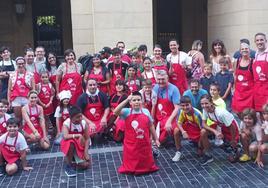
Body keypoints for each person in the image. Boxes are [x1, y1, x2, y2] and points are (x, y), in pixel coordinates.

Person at [113, 91, 160, 175]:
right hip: (131, 144)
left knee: (145, 160)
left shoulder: (146, 112)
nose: (136, 102)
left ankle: (145, 168)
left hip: (144, 143)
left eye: (138, 100)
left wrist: (156, 139)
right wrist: (127, 99)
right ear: (130, 102)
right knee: (131, 162)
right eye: (134, 100)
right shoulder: (126, 112)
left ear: (141, 101)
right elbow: (115, 112)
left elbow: (151, 126)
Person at [200, 95, 240, 164]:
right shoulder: (205, 110)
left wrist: (233, 140)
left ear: (211, 103)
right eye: (202, 104)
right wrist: (215, 131)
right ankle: (208, 155)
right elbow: (203, 124)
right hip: (220, 125)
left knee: (232, 159)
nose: (204, 106)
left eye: (206, 103)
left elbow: (232, 126)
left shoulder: (220, 113)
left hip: (231, 127)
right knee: (203, 131)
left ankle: (236, 147)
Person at [172, 96, 207, 162]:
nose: (185, 107)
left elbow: (203, 130)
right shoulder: (181, 111)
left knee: (200, 153)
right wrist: (183, 132)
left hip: (198, 131)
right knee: (176, 130)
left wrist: (199, 145)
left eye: (187, 105)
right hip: (189, 127)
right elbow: (178, 123)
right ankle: (178, 152)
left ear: (191, 104)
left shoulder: (198, 114)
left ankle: (200, 147)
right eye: (183, 106)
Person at [60, 106, 91, 177]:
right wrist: (77, 135)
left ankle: (74, 159)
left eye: (80, 116)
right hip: (68, 143)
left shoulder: (83, 123)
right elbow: (65, 136)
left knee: (85, 165)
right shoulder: (66, 123)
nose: (80, 119)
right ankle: (68, 166)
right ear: (71, 118)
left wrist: (86, 152)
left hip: (79, 145)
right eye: (77, 117)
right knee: (71, 143)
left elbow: (87, 139)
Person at [152, 70, 180, 143]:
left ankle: (172, 136)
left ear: (167, 78)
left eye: (163, 79)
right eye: (158, 79)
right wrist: (152, 120)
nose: (160, 81)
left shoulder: (174, 89)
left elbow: (177, 108)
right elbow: (154, 106)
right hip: (159, 118)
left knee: (161, 139)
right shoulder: (155, 88)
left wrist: (169, 121)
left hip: (171, 117)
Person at [7, 57, 35, 122]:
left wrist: (33, 99)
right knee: (18, 117)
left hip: (27, 98)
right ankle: (19, 131)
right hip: (16, 98)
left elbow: (33, 89)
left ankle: (26, 131)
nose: (21, 65)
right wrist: (9, 101)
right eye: (19, 64)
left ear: (25, 64)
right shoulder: (12, 75)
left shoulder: (30, 74)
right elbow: (9, 89)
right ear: (16, 64)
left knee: (27, 117)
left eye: (22, 63)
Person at [232, 42, 254, 115]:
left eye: (246, 48)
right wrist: (234, 88)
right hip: (239, 92)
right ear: (240, 51)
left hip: (249, 93)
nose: (244, 50)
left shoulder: (253, 62)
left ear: (249, 50)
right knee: (238, 113)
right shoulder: (237, 61)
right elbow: (235, 75)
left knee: (249, 114)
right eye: (242, 49)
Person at [252, 33, 268, 112]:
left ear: (266, 41)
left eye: (261, 40)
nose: (259, 42)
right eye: (257, 40)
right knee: (259, 113)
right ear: (255, 42)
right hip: (257, 89)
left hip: (266, 89)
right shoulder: (256, 55)